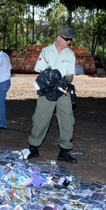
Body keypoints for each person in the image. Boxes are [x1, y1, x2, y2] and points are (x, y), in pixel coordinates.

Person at [27, 26, 77, 163]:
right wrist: (52, 80)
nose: (69, 42)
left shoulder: (70, 54)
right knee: (41, 118)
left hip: (63, 91)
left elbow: (70, 75)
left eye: (70, 39)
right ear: (59, 37)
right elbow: (41, 71)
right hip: (47, 91)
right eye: (66, 39)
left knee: (67, 119)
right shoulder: (46, 52)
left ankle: (64, 150)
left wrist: (65, 82)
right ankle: (33, 146)